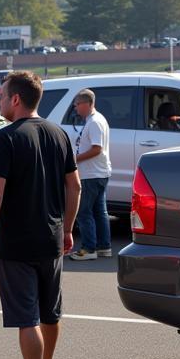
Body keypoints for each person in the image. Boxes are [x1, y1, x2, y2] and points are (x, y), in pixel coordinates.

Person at [0, 71, 81, 359]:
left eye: (3, 96)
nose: (0, 102)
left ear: (16, 99)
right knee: (50, 312)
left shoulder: (6, 138)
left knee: (27, 318)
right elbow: (75, 187)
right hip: (52, 237)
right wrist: (68, 228)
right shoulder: (58, 133)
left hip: (18, 242)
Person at [69, 88, 113, 261]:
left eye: (78, 104)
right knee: (99, 211)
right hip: (98, 172)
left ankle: (89, 248)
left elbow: (97, 149)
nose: (76, 108)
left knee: (84, 212)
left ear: (87, 103)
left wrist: (74, 159)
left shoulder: (94, 122)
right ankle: (104, 246)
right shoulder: (95, 120)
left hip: (92, 174)